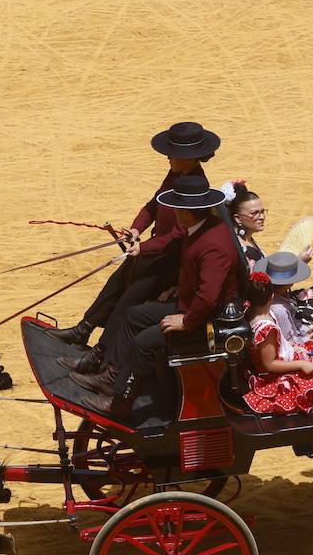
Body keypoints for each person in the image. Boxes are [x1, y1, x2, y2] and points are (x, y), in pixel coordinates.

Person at [50, 121, 220, 374]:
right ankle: (83, 329)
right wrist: (136, 229)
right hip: (153, 250)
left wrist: (146, 248)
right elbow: (153, 205)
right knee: (116, 284)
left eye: (172, 154)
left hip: (168, 262)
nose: (167, 157)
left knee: (128, 303)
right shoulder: (176, 175)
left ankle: (100, 354)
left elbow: (179, 233)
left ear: (189, 158)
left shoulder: (195, 186)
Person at [74, 175, 241, 418]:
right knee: (134, 316)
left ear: (186, 211)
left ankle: (120, 402)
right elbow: (170, 241)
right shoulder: (198, 225)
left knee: (144, 342)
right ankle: (111, 377)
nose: (171, 209)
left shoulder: (214, 244)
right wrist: (142, 249)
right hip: (188, 303)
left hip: (204, 318)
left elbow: (208, 297)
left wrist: (185, 321)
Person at [243, 252, 313, 414]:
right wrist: (302, 363)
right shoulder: (266, 327)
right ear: (271, 297)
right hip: (277, 376)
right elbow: (269, 364)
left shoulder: (254, 314)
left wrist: (297, 347)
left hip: (288, 357)